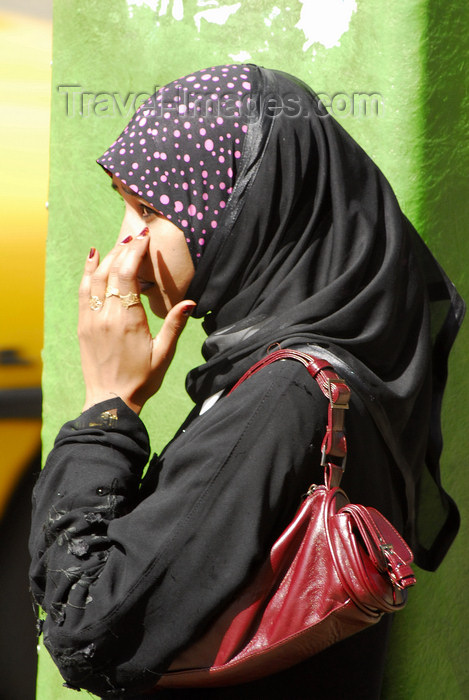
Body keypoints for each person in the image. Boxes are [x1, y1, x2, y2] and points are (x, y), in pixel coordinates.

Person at [29, 64, 464, 699]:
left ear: (244, 209)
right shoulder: (347, 358)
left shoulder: (285, 397)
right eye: (123, 204)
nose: (127, 240)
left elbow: (88, 630)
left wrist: (105, 410)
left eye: (151, 208)